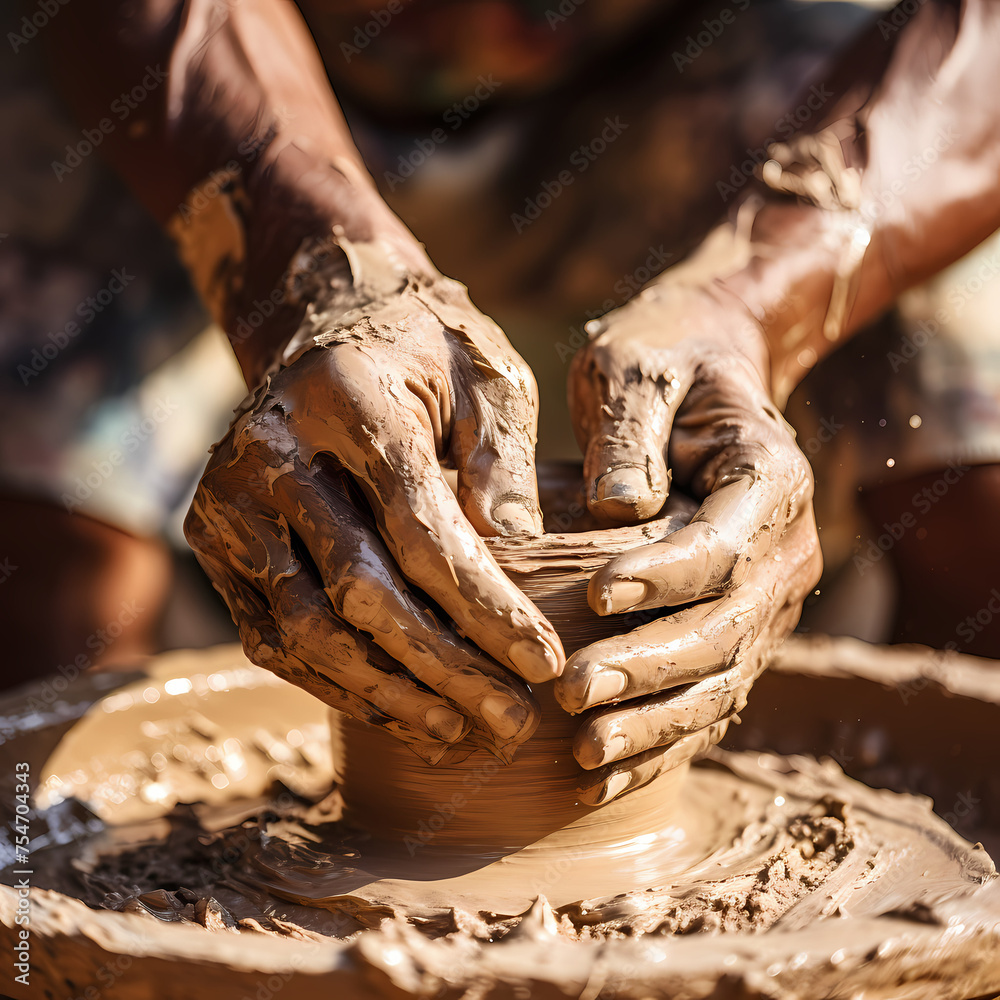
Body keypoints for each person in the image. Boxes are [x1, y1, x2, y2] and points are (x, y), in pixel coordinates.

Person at [3, 0, 999, 804]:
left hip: (704, 70)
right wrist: (322, 278)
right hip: (244, 70)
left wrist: (750, 305)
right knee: (52, 569)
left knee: (977, 502)